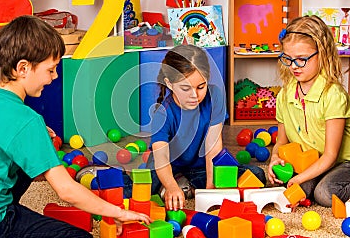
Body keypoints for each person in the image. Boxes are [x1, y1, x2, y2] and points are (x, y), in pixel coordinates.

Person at [0, 15, 151, 238]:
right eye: (50, 69)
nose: (54, 77)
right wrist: (117, 212)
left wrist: (33, 139)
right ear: (23, 68)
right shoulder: (26, 120)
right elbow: (66, 191)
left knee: (19, 160)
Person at [145, 45, 266, 211]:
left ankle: (188, 186)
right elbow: (161, 159)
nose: (194, 95)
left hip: (199, 168)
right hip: (167, 169)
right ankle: (177, 186)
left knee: (256, 175)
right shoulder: (162, 114)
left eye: (200, 87)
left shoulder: (215, 96)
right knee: (140, 186)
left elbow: (213, 147)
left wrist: (211, 186)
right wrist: (171, 186)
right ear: (170, 84)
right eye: (186, 88)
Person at [268, 15, 350, 207]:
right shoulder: (285, 95)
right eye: (288, 59)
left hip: (342, 162)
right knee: (293, 188)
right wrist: (274, 159)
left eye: (301, 59)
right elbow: (281, 141)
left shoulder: (333, 95)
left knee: (324, 194)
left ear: (322, 54)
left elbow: (330, 155)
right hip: (313, 161)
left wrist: (299, 178)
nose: (293, 66)